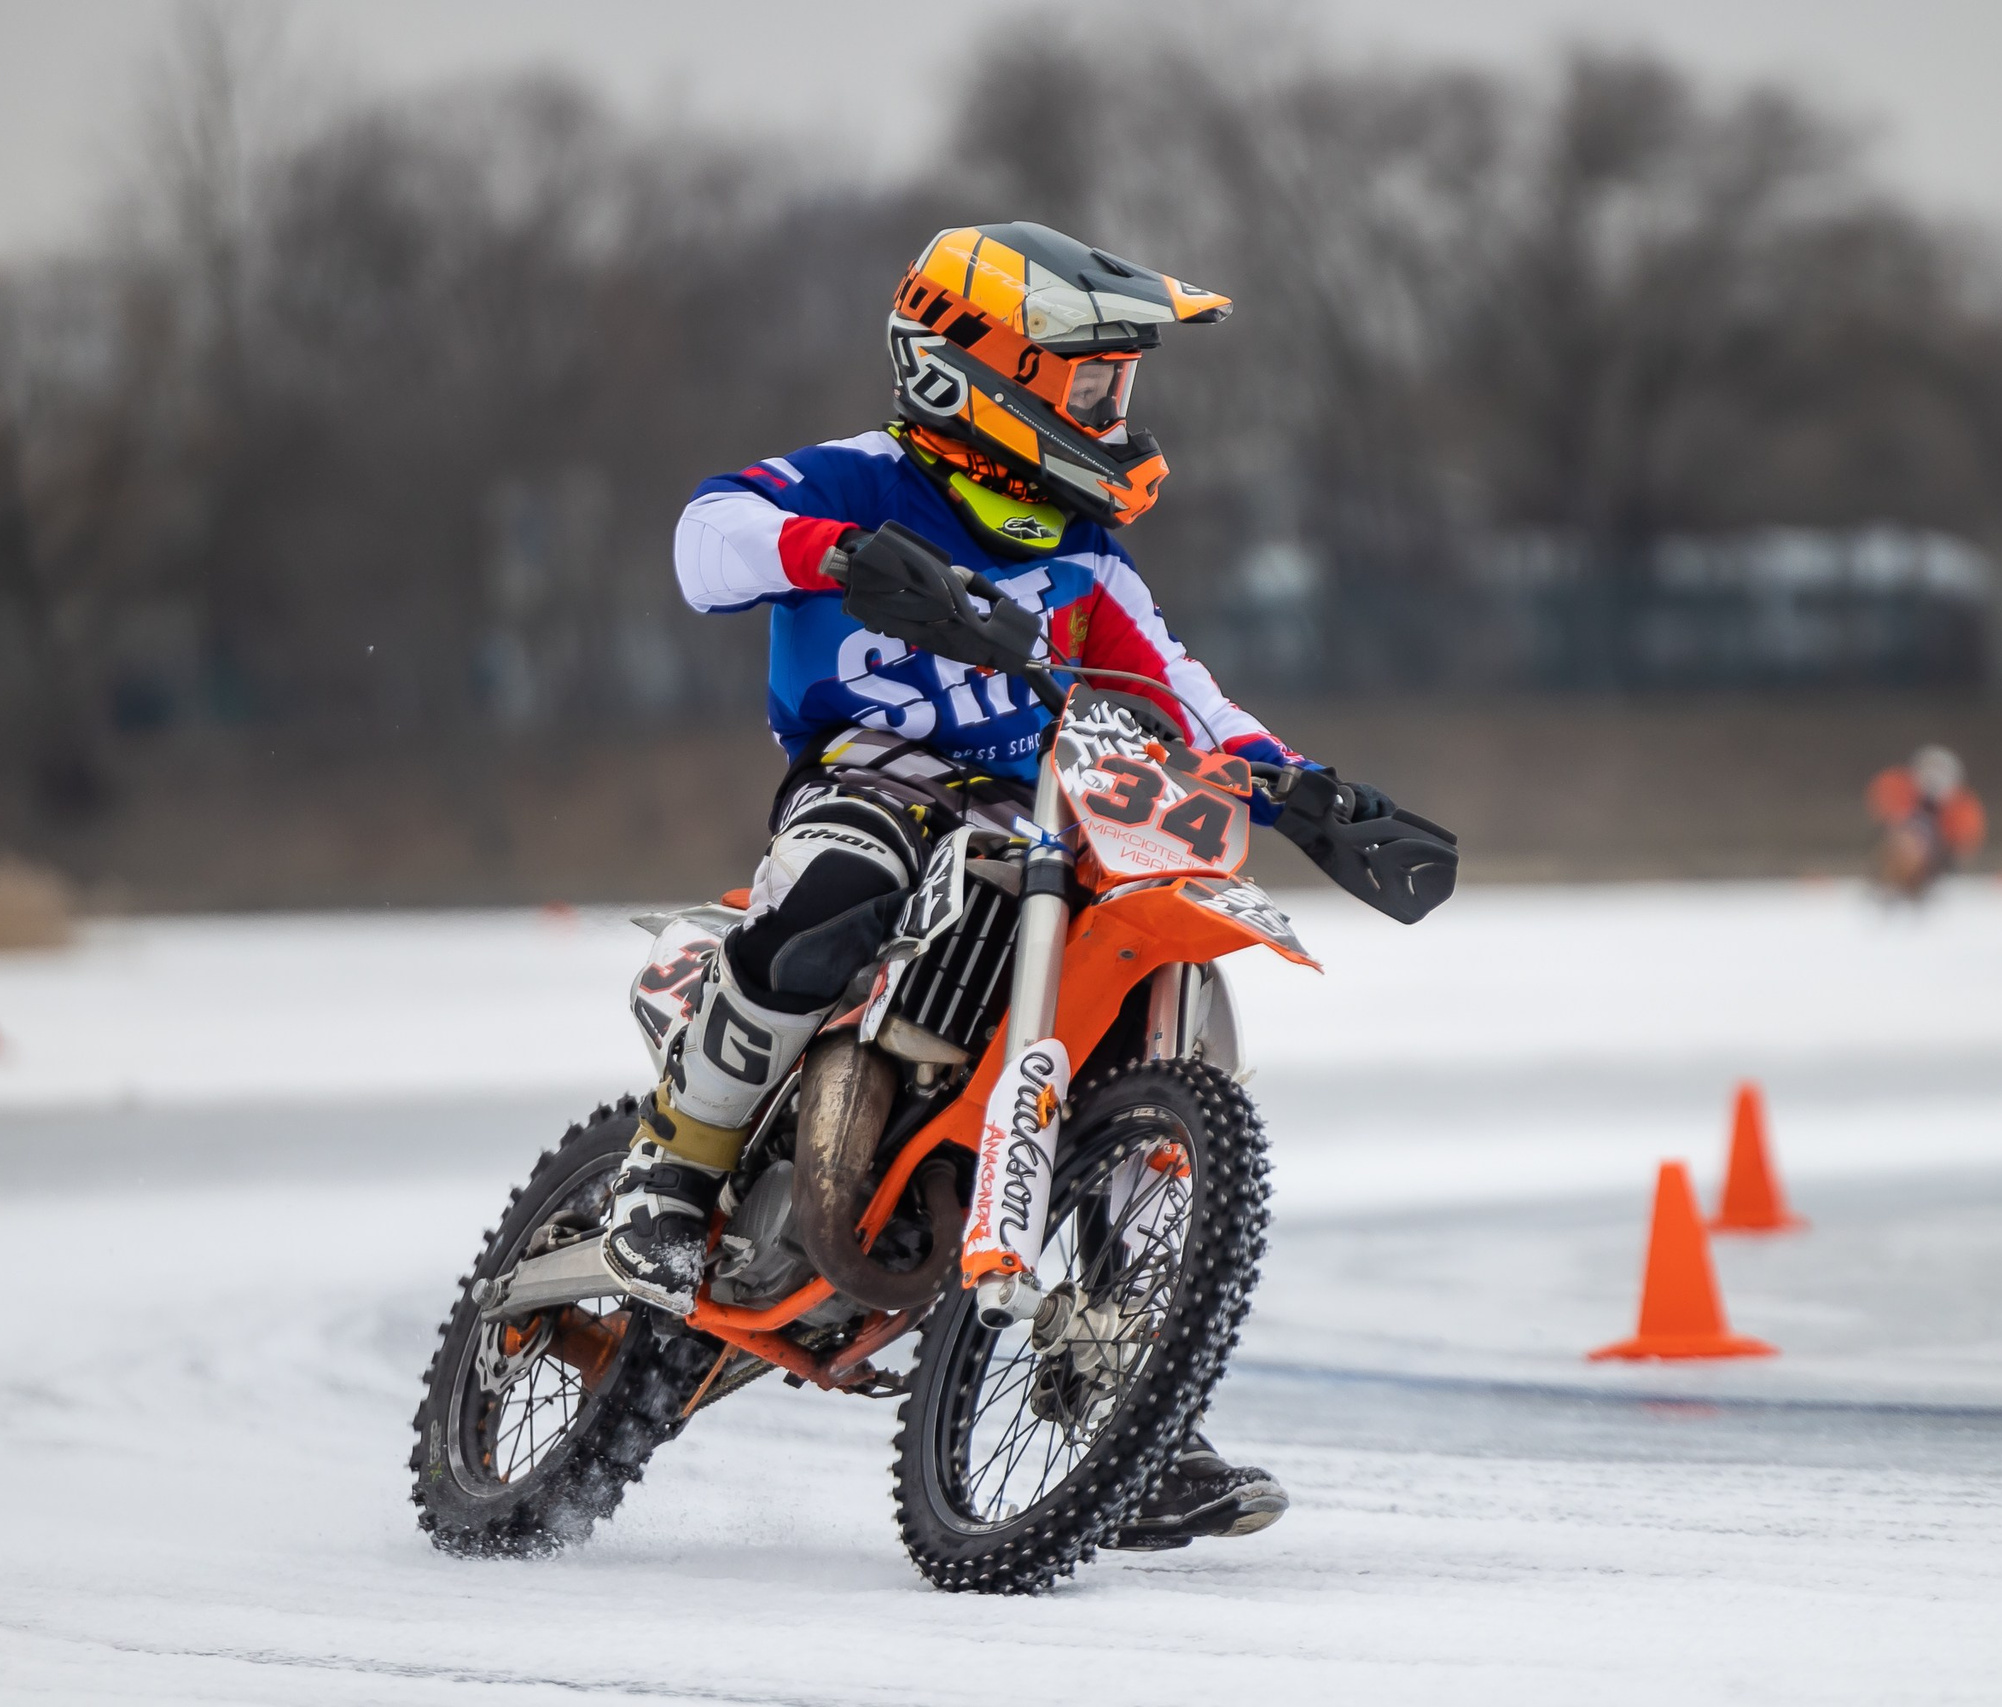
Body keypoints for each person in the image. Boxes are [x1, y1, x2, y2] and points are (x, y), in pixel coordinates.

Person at [603, 222, 1414, 1549]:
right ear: (975, 368)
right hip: (871, 785)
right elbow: (707, 540)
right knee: (835, 888)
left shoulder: (1087, 553)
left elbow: (1182, 693)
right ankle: (668, 1174)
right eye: (1088, 379)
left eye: (1119, 386)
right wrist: (838, 554)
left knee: (1150, 991)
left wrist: (1305, 786)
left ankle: (1120, 1397)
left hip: (1034, 815)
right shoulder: (862, 481)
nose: (1112, 407)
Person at [1866, 744, 1986, 900]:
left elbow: (1962, 846)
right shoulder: (1898, 790)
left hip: (1937, 863)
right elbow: (1890, 820)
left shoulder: (1962, 808)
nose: (1934, 779)